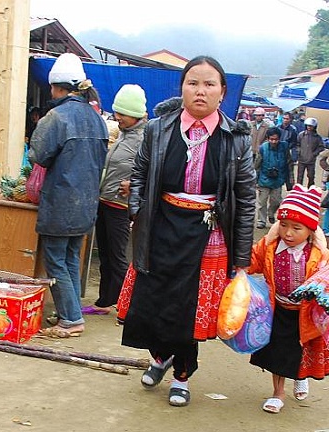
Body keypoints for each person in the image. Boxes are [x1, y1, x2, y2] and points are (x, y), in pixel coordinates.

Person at [116, 55, 255, 407]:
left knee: (188, 308)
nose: (200, 91)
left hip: (208, 233)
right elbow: (140, 174)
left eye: (210, 84)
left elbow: (245, 198)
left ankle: (181, 374)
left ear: (223, 92)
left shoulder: (236, 139)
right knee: (154, 300)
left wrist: (240, 261)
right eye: (193, 82)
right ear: (182, 88)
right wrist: (137, 212)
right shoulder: (158, 129)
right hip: (160, 225)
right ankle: (161, 355)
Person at [29, 53, 109, 338]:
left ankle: (71, 319)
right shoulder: (97, 118)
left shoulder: (57, 117)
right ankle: (69, 312)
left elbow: (38, 154)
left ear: (57, 88)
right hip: (87, 204)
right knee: (72, 258)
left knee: (56, 261)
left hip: (61, 203)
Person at [247, 186, 329, 414]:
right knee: (278, 352)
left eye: (297, 228)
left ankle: (300, 376)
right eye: (284, 225)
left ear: (310, 230)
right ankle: (278, 393)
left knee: (299, 350)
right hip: (278, 309)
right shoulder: (270, 247)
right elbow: (251, 263)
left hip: (305, 313)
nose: (288, 233)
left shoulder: (320, 255)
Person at [84, 84, 148, 316]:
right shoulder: (123, 134)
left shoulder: (145, 139)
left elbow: (155, 173)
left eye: (122, 113)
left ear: (136, 114)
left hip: (121, 207)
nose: (117, 116)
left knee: (119, 258)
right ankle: (104, 301)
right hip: (105, 202)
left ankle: (126, 305)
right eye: (116, 112)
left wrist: (134, 185)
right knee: (106, 257)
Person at [255, 128, 293, 227]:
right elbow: (257, 164)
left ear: (279, 139)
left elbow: (289, 163)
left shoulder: (284, 147)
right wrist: (254, 178)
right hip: (264, 178)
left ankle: (271, 213)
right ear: (267, 139)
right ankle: (261, 221)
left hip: (278, 179)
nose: (273, 141)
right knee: (262, 202)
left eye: (276, 139)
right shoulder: (263, 148)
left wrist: (290, 179)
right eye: (271, 139)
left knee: (276, 201)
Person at [295, 117, 325, 187]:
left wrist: (314, 154)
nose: (309, 127)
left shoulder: (317, 137)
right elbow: (297, 144)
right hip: (301, 159)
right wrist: (299, 151)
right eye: (308, 125)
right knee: (299, 176)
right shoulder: (301, 135)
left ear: (314, 127)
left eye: (311, 126)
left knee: (311, 176)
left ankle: (310, 189)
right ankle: (298, 190)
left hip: (311, 161)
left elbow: (321, 147)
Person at [278, 112, 300, 180]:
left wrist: (287, 148)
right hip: (277, 150)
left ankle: (290, 185)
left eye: (287, 119)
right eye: (284, 118)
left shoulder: (293, 129)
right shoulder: (277, 127)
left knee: (289, 170)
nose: (285, 120)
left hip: (288, 151)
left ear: (290, 119)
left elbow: (294, 142)